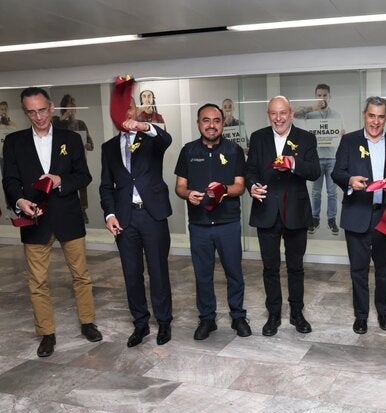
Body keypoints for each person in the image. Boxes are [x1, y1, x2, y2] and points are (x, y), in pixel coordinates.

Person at [2, 87, 102, 357]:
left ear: (52, 108)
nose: (38, 117)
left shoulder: (71, 139)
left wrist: (60, 181)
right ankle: (46, 333)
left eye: (42, 110)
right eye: (31, 112)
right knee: (37, 282)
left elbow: (84, 176)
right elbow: (9, 179)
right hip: (34, 219)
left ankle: (88, 322)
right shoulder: (14, 141)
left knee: (81, 275)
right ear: (25, 113)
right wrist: (20, 202)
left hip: (68, 217)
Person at [331, 96, 386, 334]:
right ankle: (361, 316)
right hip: (357, 214)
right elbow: (337, 172)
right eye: (371, 116)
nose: (375, 122)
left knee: (384, 269)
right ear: (364, 115)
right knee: (358, 270)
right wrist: (349, 180)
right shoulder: (349, 141)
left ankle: (384, 312)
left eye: (380, 116)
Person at [99, 98, 173, 347]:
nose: (125, 113)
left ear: (135, 110)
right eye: (119, 110)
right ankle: (140, 323)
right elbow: (106, 186)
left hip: (152, 215)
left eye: (128, 108)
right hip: (124, 218)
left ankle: (164, 321)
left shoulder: (151, 140)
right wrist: (110, 215)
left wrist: (144, 126)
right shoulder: (108, 147)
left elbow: (166, 139)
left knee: (158, 271)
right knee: (131, 273)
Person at [174, 103, 251, 339]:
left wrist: (223, 190)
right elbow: (180, 187)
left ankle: (238, 316)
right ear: (198, 123)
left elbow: (240, 186)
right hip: (199, 225)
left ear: (223, 124)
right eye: (206, 120)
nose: (211, 125)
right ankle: (207, 319)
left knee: (234, 273)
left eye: (216, 121)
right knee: (203, 275)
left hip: (228, 223)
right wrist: (188, 194)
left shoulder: (234, 150)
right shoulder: (188, 151)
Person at [245, 96, 321, 336]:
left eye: (283, 113)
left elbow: (315, 171)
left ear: (291, 114)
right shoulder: (258, 137)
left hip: (295, 212)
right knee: (270, 268)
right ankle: (274, 315)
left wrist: (293, 163)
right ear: (268, 115)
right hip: (266, 210)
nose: (278, 118)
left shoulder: (306, 138)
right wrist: (252, 186)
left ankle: (297, 313)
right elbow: (250, 171)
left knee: (296, 267)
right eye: (273, 113)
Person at [294, 84, 344, 235]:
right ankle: (315, 218)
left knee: (332, 192)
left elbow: (341, 133)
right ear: (315, 97)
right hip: (315, 158)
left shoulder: (337, 115)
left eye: (325, 95)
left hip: (332, 158)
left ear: (330, 97)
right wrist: (312, 107)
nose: (322, 98)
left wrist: (341, 134)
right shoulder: (310, 113)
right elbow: (294, 114)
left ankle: (331, 219)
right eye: (319, 95)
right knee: (315, 192)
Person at [52, 94, 94, 224]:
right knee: (63, 183)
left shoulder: (80, 124)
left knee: (82, 183)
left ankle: (83, 209)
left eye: (73, 106)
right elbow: (52, 134)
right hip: (62, 161)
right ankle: (66, 211)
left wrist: (87, 145)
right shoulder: (56, 121)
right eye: (68, 106)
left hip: (78, 159)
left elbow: (91, 144)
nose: (71, 108)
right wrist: (64, 117)